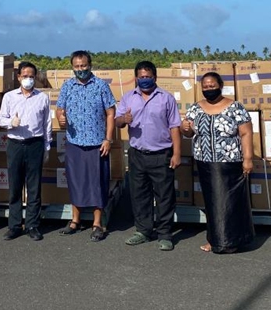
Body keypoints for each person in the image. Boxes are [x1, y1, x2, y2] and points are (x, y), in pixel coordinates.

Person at [181, 72, 254, 254]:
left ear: (220, 85)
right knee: (212, 203)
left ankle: (232, 240)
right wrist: (185, 128)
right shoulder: (196, 108)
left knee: (230, 203)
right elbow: (188, 133)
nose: (209, 89)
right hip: (205, 163)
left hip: (229, 163)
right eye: (205, 87)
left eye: (212, 86)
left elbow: (245, 133)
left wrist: (248, 159)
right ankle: (214, 239)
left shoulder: (235, 107)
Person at [115, 61, 181, 251]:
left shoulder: (166, 98)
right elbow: (118, 121)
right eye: (141, 77)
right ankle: (143, 231)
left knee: (164, 196)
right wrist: (123, 120)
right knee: (139, 194)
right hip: (137, 154)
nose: (144, 80)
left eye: (148, 76)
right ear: (136, 78)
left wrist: (177, 153)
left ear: (155, 77)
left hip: (161, 154)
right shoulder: (128, 98)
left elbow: (174, 127)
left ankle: (165, 234)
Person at [56, 50, 116, 242]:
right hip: (74, 142)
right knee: (76, 181)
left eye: (83, 66)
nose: (80, 69)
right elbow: (59, 109)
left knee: (97, 183)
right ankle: (75, 220)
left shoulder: (101, 86)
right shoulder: (67, 86)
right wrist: (60, 118)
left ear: (90, 65)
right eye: (77, 66)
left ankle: (97, 223)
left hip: (97, 143)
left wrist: (108, 139)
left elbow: (110, 113)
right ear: (72, 67)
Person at [0, 61, 52, 241]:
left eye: (31, 76)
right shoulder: (10, 97)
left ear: (35, 78)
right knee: (15, 186)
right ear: (18, 77)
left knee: (34, 187)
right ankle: (14, 225)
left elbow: (47, 124)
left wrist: (47, 146)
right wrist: (10, 122)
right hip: (15, 144)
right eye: (25, 76)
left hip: (35, 143)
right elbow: (1, 118)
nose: (28, 79)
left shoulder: (42, 98)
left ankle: (32, 225)